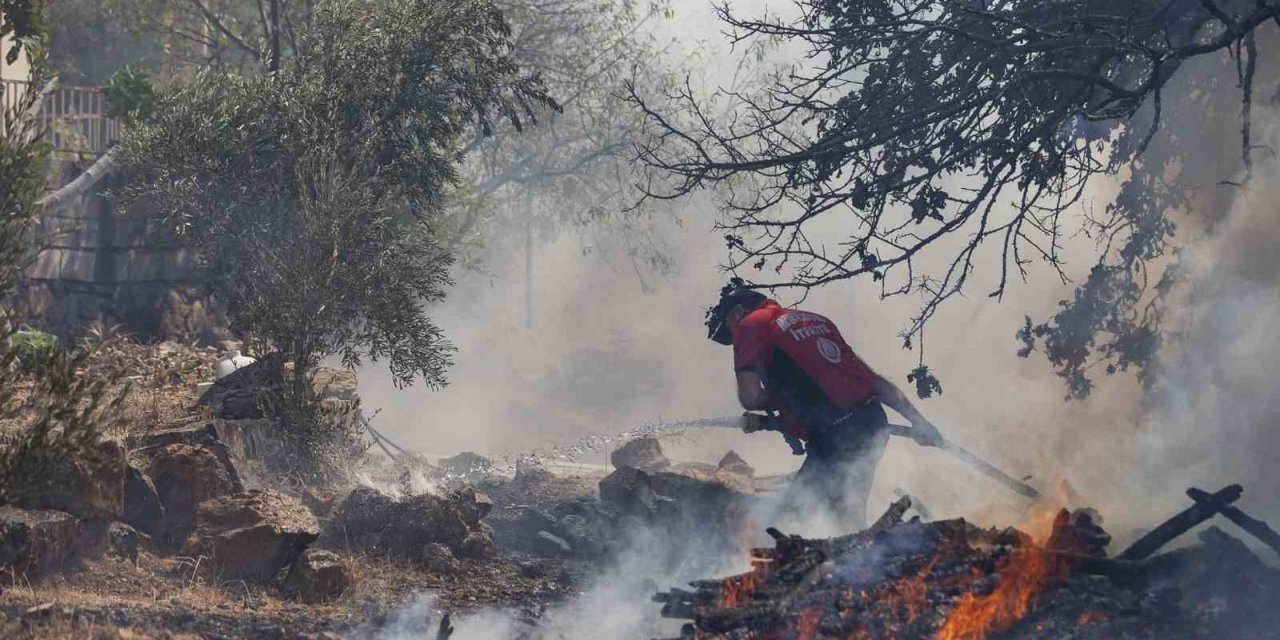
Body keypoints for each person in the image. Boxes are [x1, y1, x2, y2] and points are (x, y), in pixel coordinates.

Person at [705, 280, 943, 529]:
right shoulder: (815, 321)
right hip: (872, 424)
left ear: (738, 312)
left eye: (731, 332)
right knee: (845, 515)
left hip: (836, 437)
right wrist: (920, 422)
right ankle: (877, 559)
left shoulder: (750, 324)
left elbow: (750, 397)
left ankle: (876, 556)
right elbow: (871, 381)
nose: (736, 340)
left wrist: (772, 405)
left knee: (793, 521)